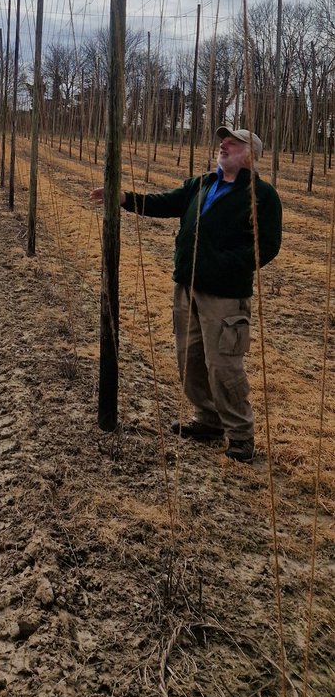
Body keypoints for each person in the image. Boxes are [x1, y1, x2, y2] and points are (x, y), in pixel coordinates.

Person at [90, 126, 282, 463]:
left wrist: (222, 264)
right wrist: (123, 198)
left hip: (224, 295)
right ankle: (207, 421)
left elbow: (266, 247)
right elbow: (166, 203)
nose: (222, 144)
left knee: (223, 365)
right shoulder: (202, 183)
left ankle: (240, 435)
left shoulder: (261, 196)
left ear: (250, 154)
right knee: (189, 360)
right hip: (186, 287)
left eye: (232, 142)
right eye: (223, 140)